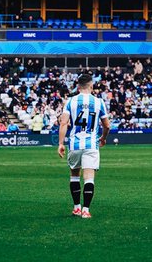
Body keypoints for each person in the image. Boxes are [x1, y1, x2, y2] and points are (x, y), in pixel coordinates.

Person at [57, 73, 110, 218]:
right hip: (91, 144)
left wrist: (61, 143)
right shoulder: (98, 102)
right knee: (89, 177)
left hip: (74, 144)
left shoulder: (70, 101)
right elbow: (107, 125)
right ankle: (86, 210)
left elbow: (63, 123)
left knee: (74, 175)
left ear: (78, 86)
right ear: (91, 85)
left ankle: (76, 208)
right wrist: (103, 138)